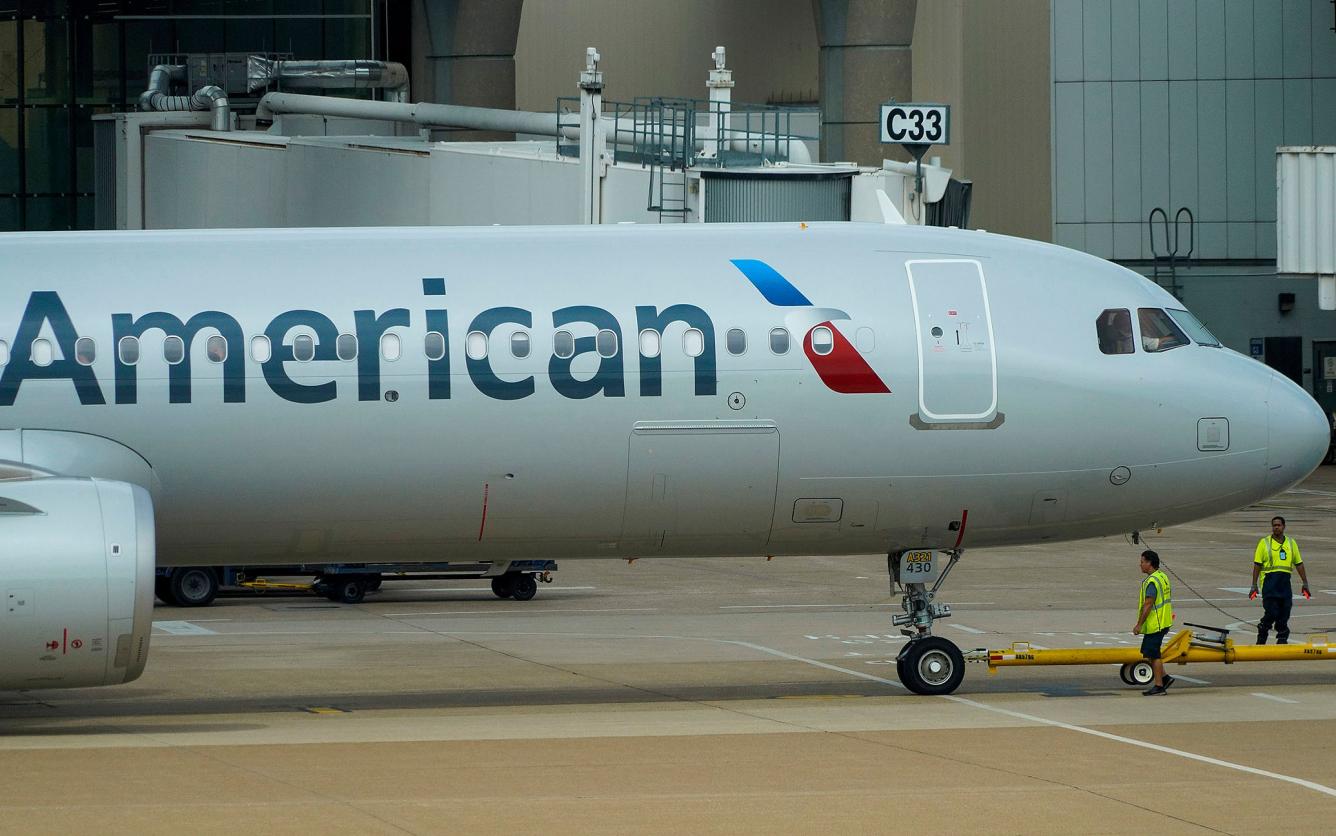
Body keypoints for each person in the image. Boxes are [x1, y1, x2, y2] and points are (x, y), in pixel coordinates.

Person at [1251, 516, 1312, 645]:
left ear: (1284, 526)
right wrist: (1254, 585)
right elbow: (1257, 564)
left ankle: (1282, 640)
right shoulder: (1264, 542)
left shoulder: (1291, 543)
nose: (1276, 527)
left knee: (1285, 613)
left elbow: (1299, 563)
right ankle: (1262, 633)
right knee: (1272, 612)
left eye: (1278, 525)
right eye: (1274, 525)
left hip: (1284, 584)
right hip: (1269, 583)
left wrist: (1305, 583)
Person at [1133, 549, 1175, 696]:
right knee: (1150, 652)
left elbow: (1148, 604)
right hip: (1164, 621)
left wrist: (1139, 624)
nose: (1140, 565)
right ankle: (1165, 678)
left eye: (1142, 562)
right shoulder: (1162, 577)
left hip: (1155, 624)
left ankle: (1159, 686)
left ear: (1149, 563)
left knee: (1154, 654)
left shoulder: (1152, 582)